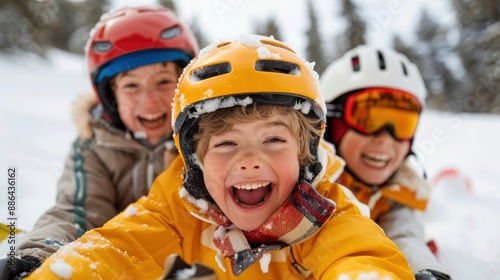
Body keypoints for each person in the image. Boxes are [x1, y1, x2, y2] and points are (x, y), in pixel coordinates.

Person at [24, 35, 414, 280]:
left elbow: (361, 257)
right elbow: (119, 249)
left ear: (305, 150)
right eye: (226, 144)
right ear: (194, 159)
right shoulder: (178, 206)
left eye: (274, 140)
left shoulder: (329, 213)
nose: (249, 161)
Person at [0, 6, 199, 279]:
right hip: (119, 265)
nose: (149, 100)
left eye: (164, 82)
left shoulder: (205, 140)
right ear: (110, 96)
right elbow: (78, 212)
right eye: (131, 86)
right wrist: (40, 256)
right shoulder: (95, 146)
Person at [320, 45, 452, 280]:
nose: (385, 139)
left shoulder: (396, 191)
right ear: (330, 123)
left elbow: (403, 234)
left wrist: (424, 271)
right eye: (368, 119)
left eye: (402, 123)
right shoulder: (307, 188)